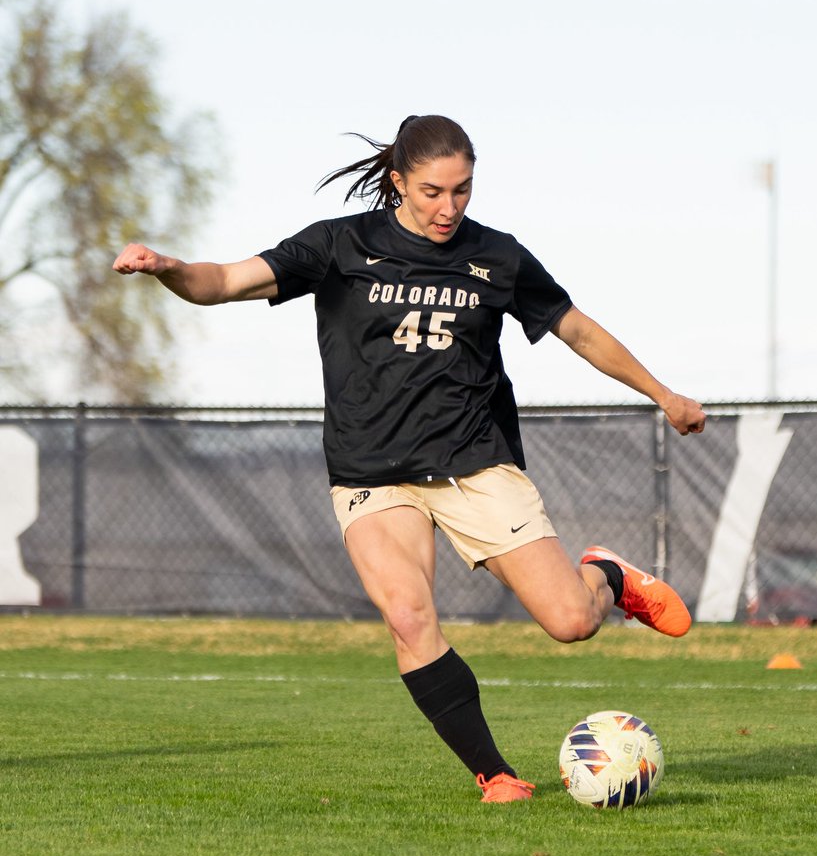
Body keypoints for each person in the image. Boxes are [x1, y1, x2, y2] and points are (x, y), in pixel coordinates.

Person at [113, 114, 705, 803]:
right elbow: (221, 282)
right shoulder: (340, 245)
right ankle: (495, 774)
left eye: (462, 190)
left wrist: (662, 393)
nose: (448, 207)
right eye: (431, 192)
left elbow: (575, 329)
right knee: (407, 614)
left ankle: (604, 573)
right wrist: (170, 269)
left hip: (473, 462)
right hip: (372, 471)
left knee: (572, 622)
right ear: (397, 181)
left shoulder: (498, 257)